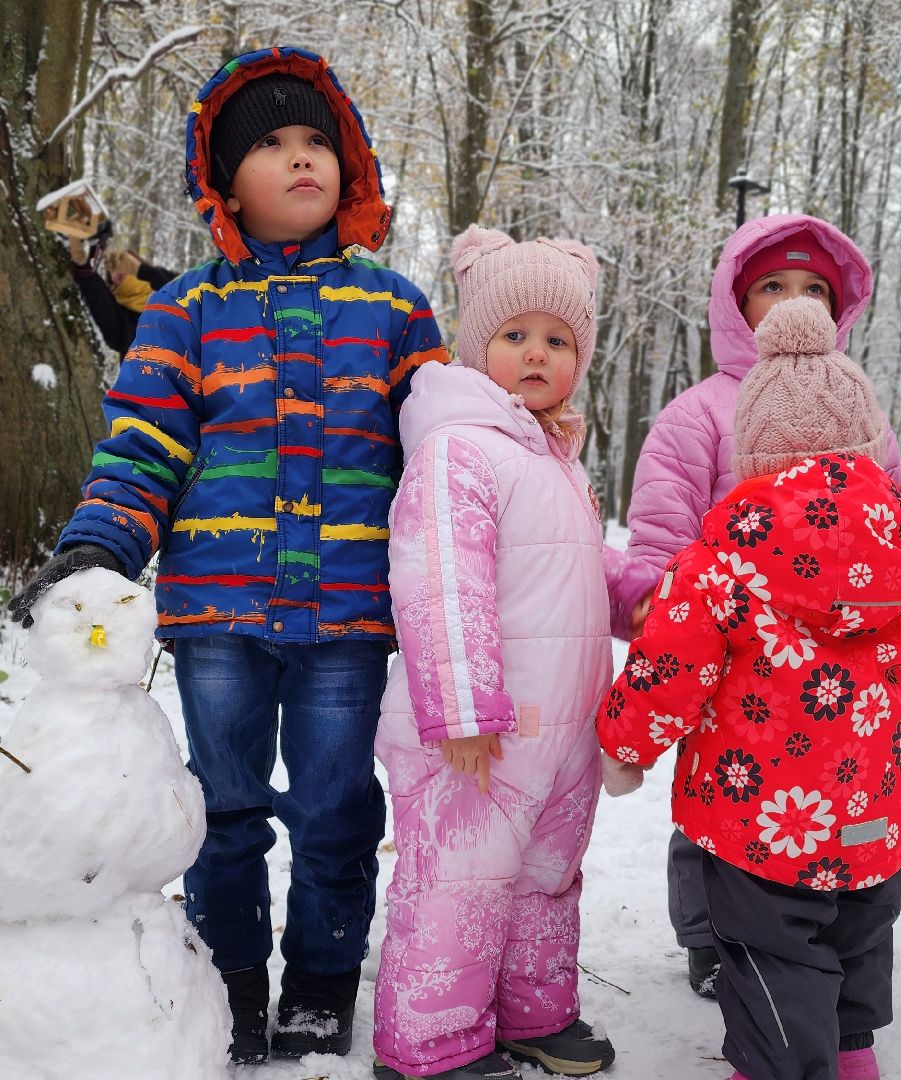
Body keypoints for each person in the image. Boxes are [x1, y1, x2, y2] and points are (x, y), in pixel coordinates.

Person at [4, 47, 448, 1064]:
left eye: (316, 143)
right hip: (220, 617)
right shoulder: (185, 311)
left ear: (351, 168)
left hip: (346, 614)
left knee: (337, 807)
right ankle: (234, 979)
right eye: (272, 146)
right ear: (222, 179)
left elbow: (444, 450)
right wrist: (97, 545)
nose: (301, 161)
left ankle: (325, 980)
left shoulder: (394, 308)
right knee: (225, 805)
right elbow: (144, 448)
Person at [598, 298, 901, 1080]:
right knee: (858, 928)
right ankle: (852, 1051)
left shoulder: (721, 557)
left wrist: (626, 744)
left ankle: (783, 1066)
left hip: (757, 816)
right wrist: (898, 698)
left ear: (753, 450)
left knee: (770, 949)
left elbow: (668, 669)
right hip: (869, 809)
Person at [371, 227, 619, 1080]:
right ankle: (431, 1046)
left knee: (544, 879)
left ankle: (530, 1014)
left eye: (558, 340)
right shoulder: (458, 448)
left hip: (559, 729)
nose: (538, 354)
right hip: (478, 730)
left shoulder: (553, 461)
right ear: (479, 348)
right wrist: (465, 712)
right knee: (459, 886)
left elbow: (577, 569)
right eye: (516, 336)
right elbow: (442, 582)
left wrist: (654, 597)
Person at [68, 239, 178, 354]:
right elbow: (101, 302)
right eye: (111, 274)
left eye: (122, 265)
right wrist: (82, 265)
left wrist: (141, 271)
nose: (115, 274)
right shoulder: (126, 327)